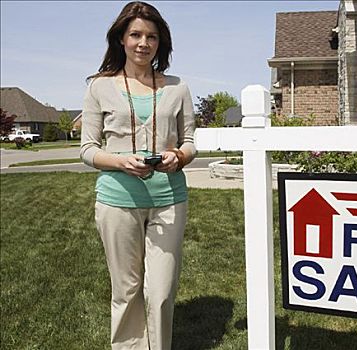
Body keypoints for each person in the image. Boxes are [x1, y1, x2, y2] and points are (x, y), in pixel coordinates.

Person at [80, 2, 196, 349]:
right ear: (121, 39)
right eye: (136, 35)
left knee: (160, 291)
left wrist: (178, 156)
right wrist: (120, 162)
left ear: (161, 43)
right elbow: (87, 149)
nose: (143, 43)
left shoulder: (178, 87)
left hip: (169, 201)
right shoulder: (99, 86)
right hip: (118, 201)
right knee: (126, 290)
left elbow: (190, 142)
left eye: (152, 36)